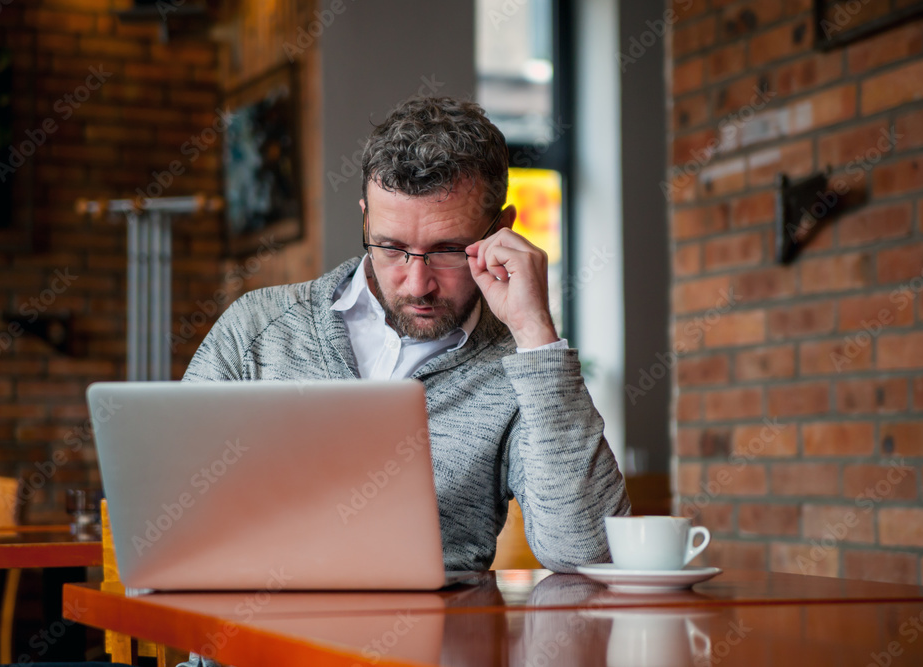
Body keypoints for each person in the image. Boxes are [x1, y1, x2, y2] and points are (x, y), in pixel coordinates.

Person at [178, 95, 629, 667]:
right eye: (392, 247)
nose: (417, 284)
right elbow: (176, 522)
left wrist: (536, 333)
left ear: (502, 231)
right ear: (365, 214)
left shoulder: (517, 365)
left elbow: (588, 549)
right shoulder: (258, 329)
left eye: (446, 252)